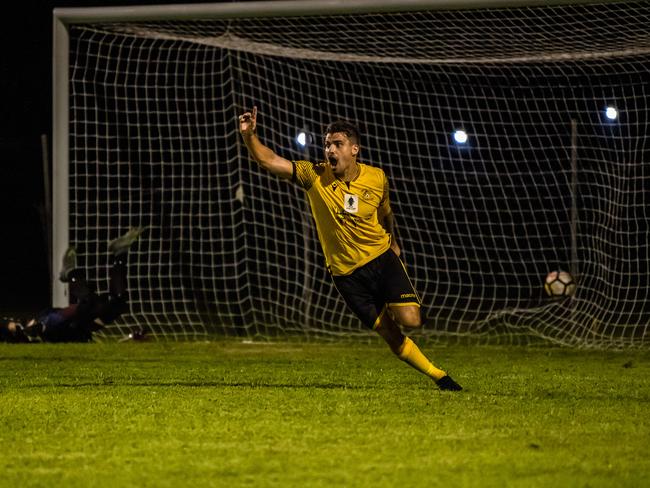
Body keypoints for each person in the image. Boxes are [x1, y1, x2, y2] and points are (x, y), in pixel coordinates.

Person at [239, 106, 462, 391]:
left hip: (381, 259)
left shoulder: (377, 177)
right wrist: (249, 136)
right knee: (389, 334)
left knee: (411, 320)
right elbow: (268, 160)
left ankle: (399, 300)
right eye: (327, 144)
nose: (330, 149)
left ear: (354, 149)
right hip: (346, 276)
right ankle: (440, 377)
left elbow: (385, 212)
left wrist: (393, 240)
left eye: (337, 144)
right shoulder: (314, 176)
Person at [0, 228, 143, 343]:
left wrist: (17, 327)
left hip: (49, 323)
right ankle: (120, 253)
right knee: (118, 303)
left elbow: (13, 325)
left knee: (88, 305)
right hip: (76, 330)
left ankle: (70, 273)